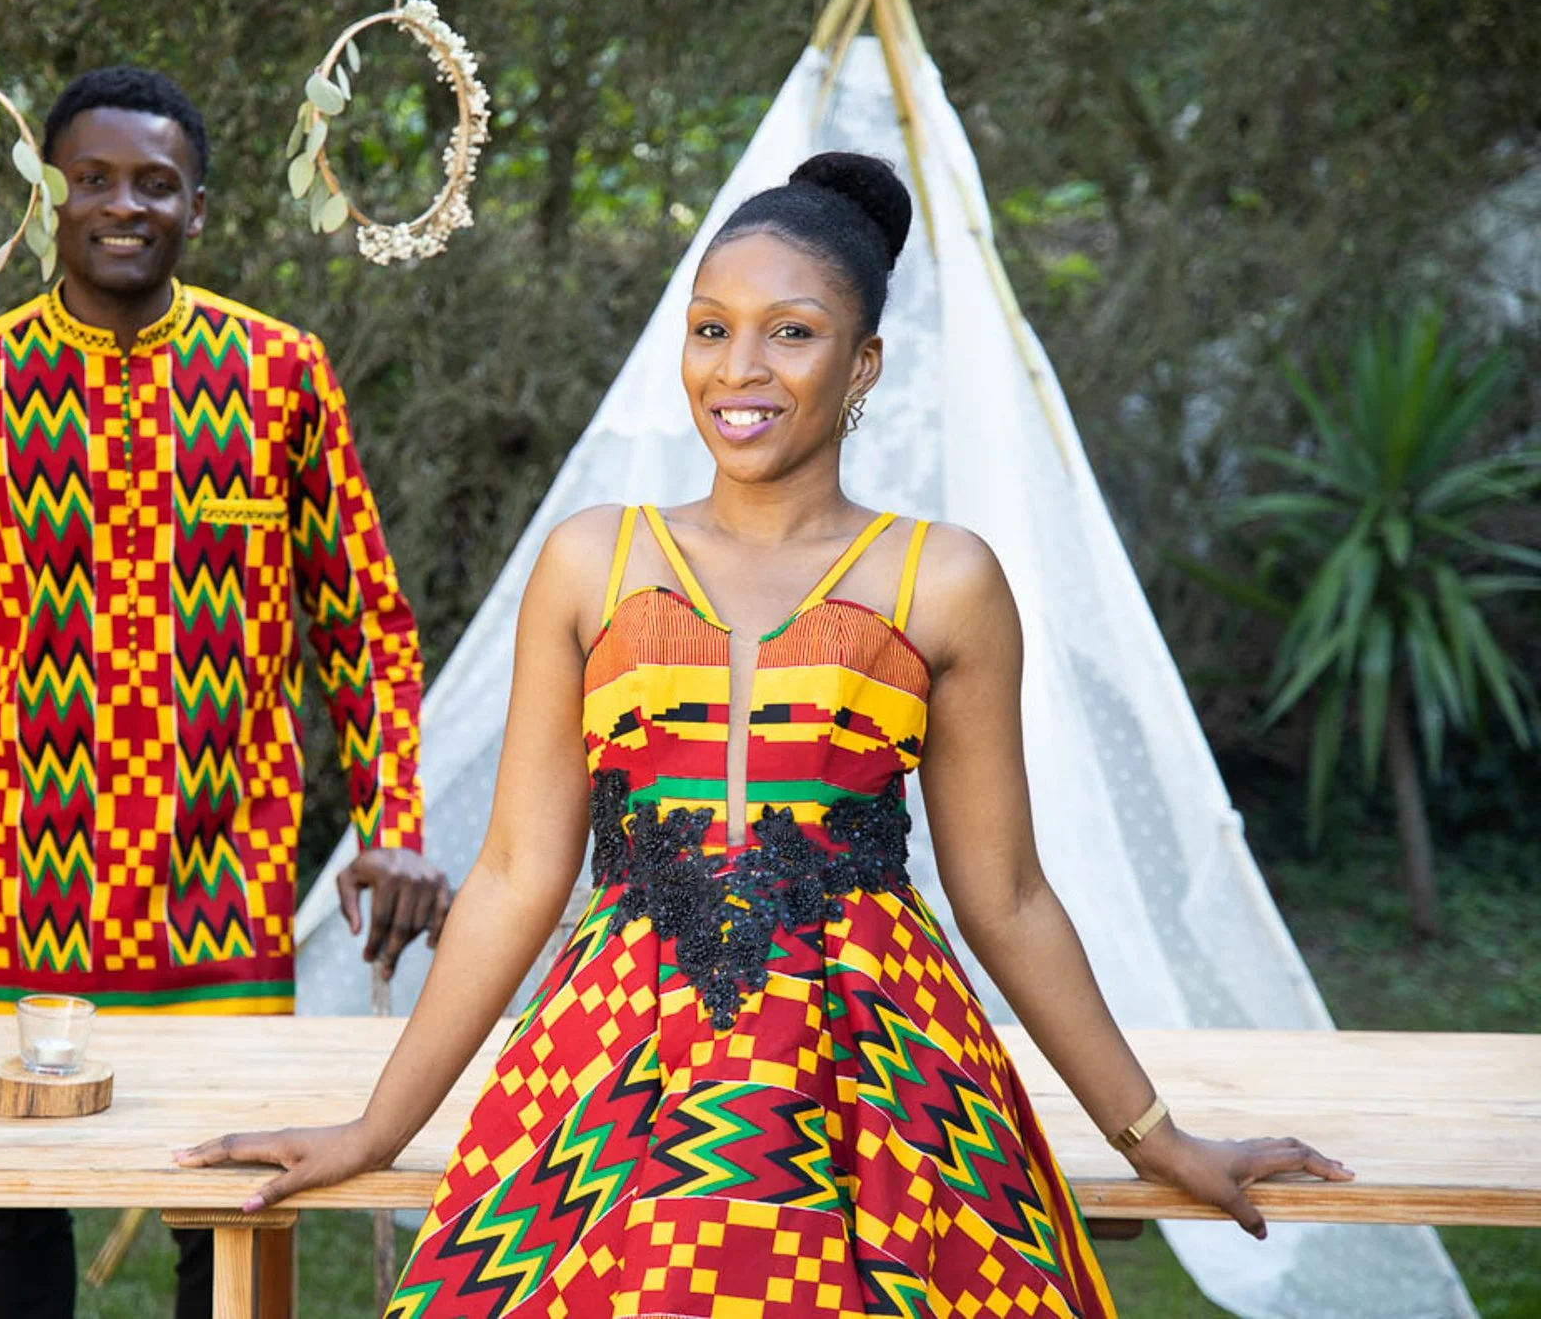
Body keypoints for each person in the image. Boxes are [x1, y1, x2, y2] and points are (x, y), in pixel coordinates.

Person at [176, 152, 1353, 1317]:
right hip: (617, 1072)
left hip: (875, 1080)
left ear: (862, 363)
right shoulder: (593, 559)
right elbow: (515, 871)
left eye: (789, 333)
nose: (738, 369)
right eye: (708, 329)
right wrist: (380, 1126)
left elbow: (1005, 895)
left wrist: (1153, 1136)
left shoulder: (941, 579)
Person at [0, 66, 449, 1318]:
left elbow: (365, 626)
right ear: (43, 200)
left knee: (230, 1207)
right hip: (10, 881)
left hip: (223, 877)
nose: (121, 205)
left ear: (199, 211)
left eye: (154, 184)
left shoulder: (281, 376)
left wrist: (391, 820)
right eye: (91, 180)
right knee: (12, 1201)